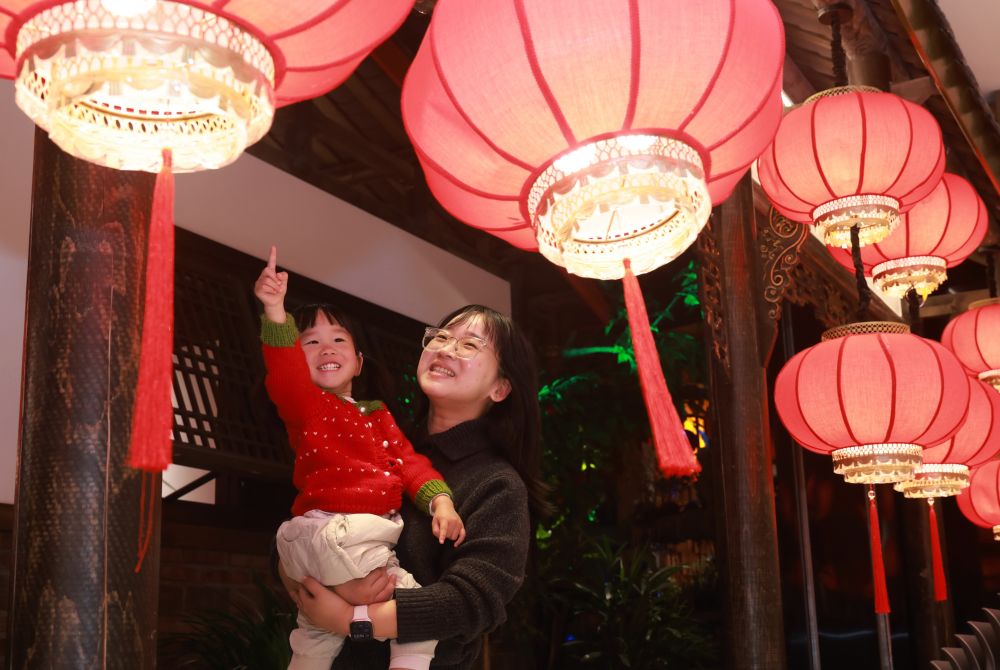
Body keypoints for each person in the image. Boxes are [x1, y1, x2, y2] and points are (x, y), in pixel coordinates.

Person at [283, 300, 550, 670]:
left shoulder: (497, 484)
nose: (445, 349)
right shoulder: (375, 440)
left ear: (501, 388)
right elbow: (297, 533)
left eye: (468, 345)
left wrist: (349, 618)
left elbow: (469, 601)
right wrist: (322, 582)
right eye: (440, 337)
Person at [254, 246, 466, 670]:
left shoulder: (377, 413)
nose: (326, 348)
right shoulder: (307, 405)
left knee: (314, 639)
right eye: (310, 342)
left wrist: (440, 500)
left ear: (359, 363)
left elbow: (409, 463)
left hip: (318, 543)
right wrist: (275, 310)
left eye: (338, 340)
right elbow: (286, 375)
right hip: (341, 533)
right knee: (415, 618)